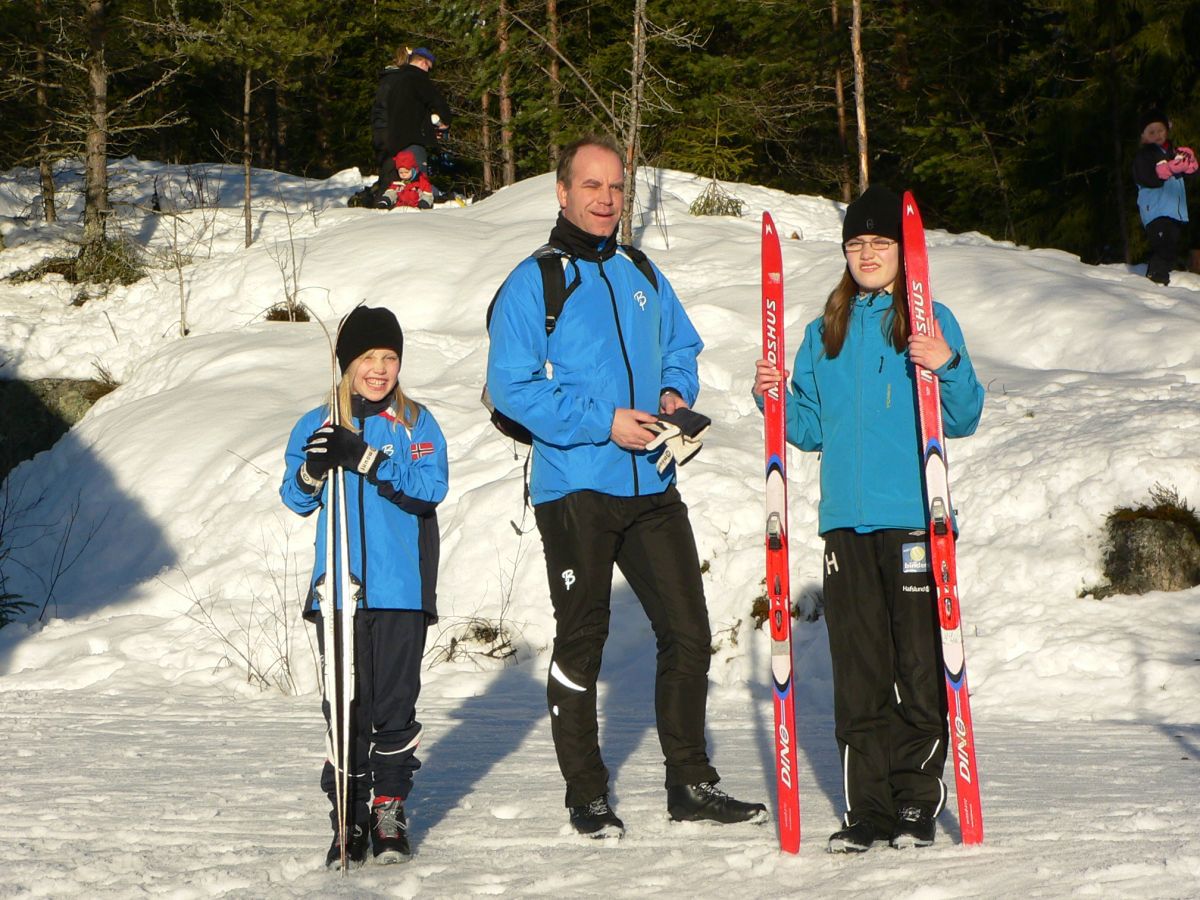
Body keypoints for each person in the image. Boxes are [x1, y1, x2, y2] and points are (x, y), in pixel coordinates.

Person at [486, 135, 767, 840]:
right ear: (562, 191)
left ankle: (689, 782)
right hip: (575, 486)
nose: (606, 199)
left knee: (688, 632)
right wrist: (599, 422)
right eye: (591, 186)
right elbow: (509, 388)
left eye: (615, 188)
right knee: (584, 640)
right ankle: (586, 792)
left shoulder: (640, 270)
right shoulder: (534, 281)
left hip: (652, 481)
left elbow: (682, 344)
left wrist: (675, 393)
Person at [752, 185, 984, 853]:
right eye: (856, 244)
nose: (867, 254)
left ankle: (915, 801)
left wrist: (950, 365)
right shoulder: (824, 331)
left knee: (916, 664)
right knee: (858, 669)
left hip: (914, 520)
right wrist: (770, 398)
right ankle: (870, 809)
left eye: (880, 243)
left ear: (903, 251)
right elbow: (808, 428)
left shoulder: (927, 319)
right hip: (844, 525)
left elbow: (961, 416)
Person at [280, 305, 448, 867]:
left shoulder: (415, 422)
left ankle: (390, 813)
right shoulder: (316, 423)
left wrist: (370, 458)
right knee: (346, 708)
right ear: (346, 363)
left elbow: (429, 489)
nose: (380, 369)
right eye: (369, 358)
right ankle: (348, 820)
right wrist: (313, 468)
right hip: (339, 593)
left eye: (390, 357)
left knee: (395, 707)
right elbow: (297, 498)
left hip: (401, 590)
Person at [1132, 109, 1197, 285]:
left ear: (1167, 130)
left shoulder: (1173, 152)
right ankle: (1156, 277)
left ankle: (1159, 276)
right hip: (1156, 211)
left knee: (1170, 247)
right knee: (1164, 245)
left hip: (1174, 212)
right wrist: (1167, 169)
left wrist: (1190, 165)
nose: (1157, 135)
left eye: (1160, 130)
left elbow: (1190, 176)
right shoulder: (1145, 155)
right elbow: (1147, 179)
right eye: (1151, 132)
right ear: (1143, 135)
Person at [383, 47, 452, 177]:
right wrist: (445, 122)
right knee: (418, 184)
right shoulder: (418, 78)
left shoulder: (393, 80)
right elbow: (437, 102)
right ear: (423, 63)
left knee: (399, 185)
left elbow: (412, 110)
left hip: (392, 144)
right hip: (412, 142)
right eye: (429, 67)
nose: (428, 72)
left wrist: (429, 130)